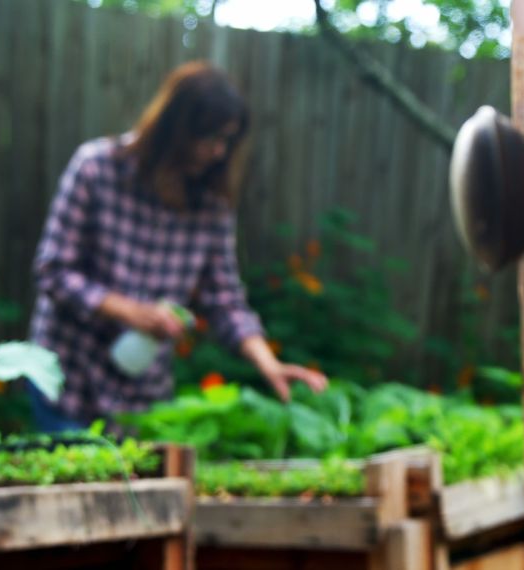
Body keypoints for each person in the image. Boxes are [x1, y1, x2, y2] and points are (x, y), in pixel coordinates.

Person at [28, 61, 326, 431]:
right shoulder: (96, 169)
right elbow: (54, 270)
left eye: (228, 141)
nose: (219, 151)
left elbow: (225, 299)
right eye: (210, 137)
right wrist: (131, 312)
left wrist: (269, 363)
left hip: (139, 394)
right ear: (175, 128)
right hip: (68, 374)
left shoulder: (210, 205)